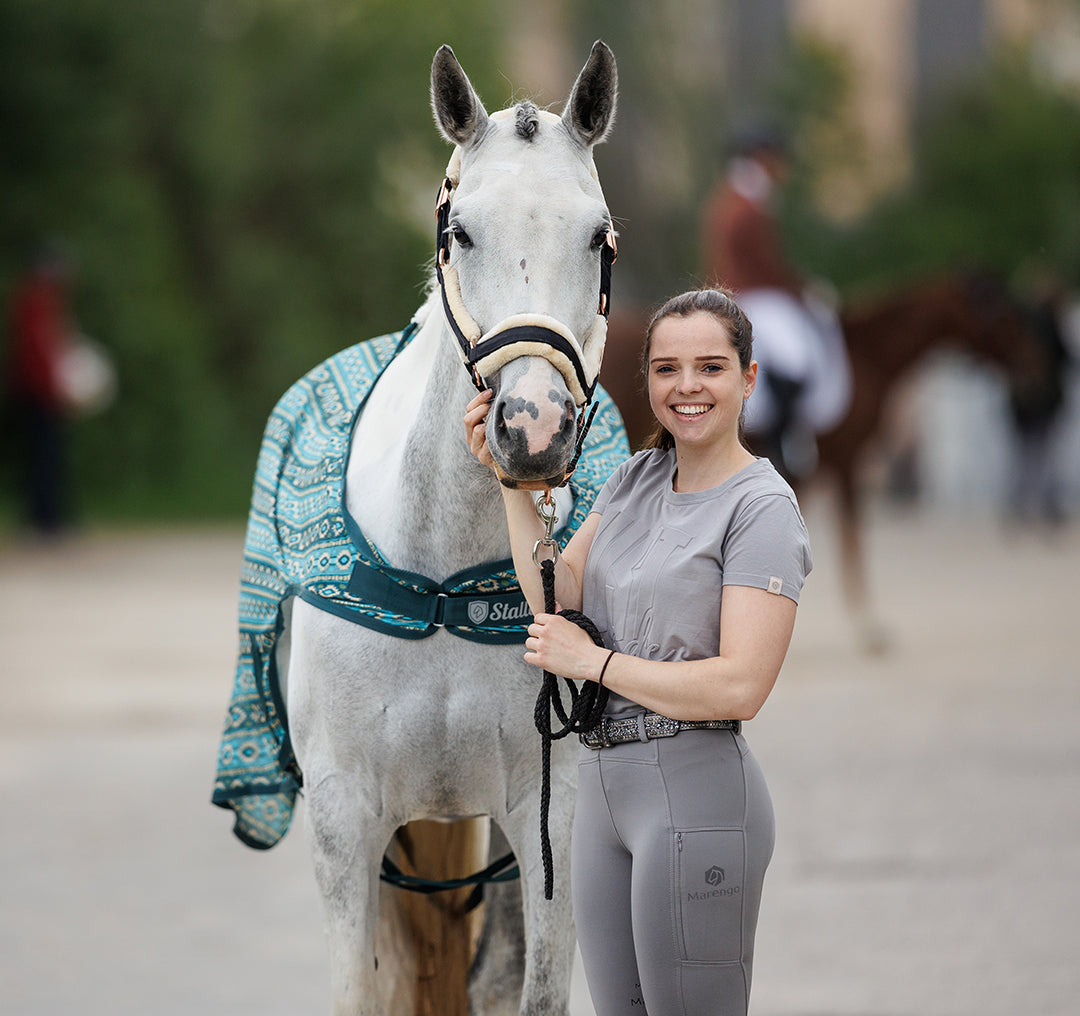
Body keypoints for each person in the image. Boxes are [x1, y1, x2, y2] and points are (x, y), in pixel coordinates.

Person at [464, 288, 812, 1016]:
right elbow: (556, 602)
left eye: (710, 367)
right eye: (666, 369)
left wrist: (594, 665)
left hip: (697, 791)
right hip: (604, 792)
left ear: (748, 379)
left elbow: (740, 687)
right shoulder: (633, 479)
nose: (686, 387)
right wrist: (508, 480)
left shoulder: (762, 509)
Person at [702, 126, 851, 482]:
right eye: (778, 159)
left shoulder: (737, 197)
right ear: (761, 157)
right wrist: (801, 290)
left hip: (749, 290)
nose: (783, 168)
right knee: (794, 357)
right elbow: (767, 263)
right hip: (755, 294)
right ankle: (782, 443)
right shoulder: (748, 203)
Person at [5, 242, 77, 534]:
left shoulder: (48, 301)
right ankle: (43, 518)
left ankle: (48, 515)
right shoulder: (36, 300)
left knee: (47, 456)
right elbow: (38, 350)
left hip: (44, 391)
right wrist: (54, 387)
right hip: (38, 392)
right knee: (43, 457)